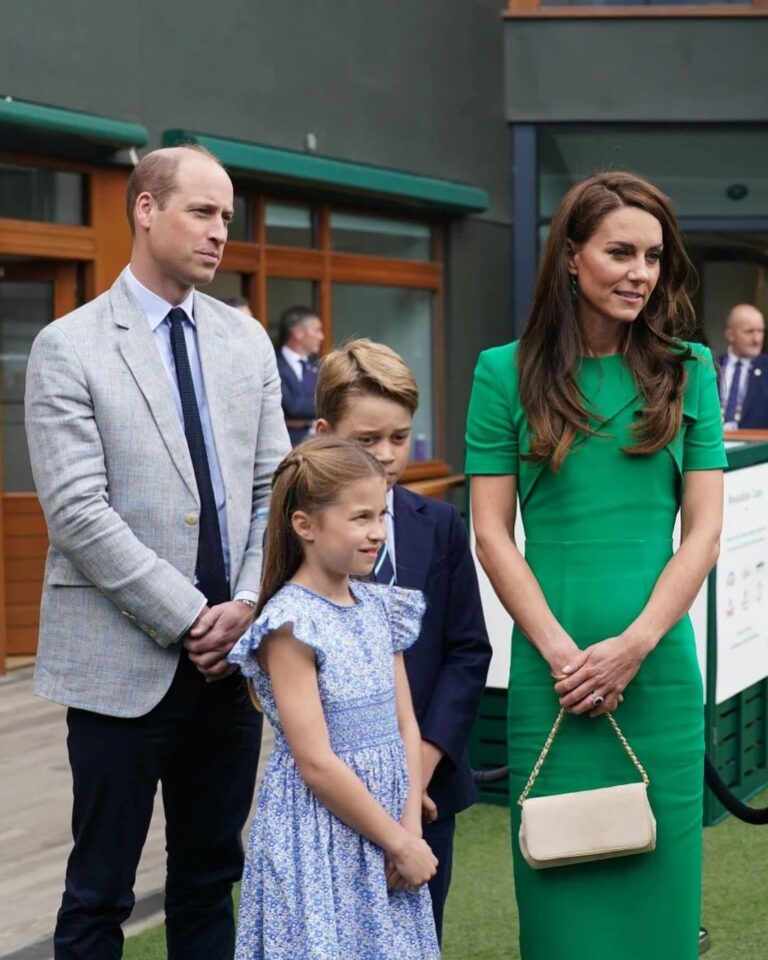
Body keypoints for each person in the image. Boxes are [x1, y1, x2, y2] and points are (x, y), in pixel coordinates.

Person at [24, 145, 290, 959]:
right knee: (98, 892)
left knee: (211, 881)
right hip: (120, 668)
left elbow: (274, 488)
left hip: (230, 667)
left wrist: (243, 608)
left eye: (227, 220)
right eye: (203, 213)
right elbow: (76, 511)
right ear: (145, 208)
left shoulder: (245, 342)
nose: (220, 234)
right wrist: (188, 619)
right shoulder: (68, 347)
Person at [465, 172, 726, 960]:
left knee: (662, 916)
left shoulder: (690, 369)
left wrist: (635, 645)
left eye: (653, 255)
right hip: (553, 675)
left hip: (659, 675)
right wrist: (560, 655)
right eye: (620, 251)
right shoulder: (500, 372)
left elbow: (704, 533)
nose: (640, 272)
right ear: (571, 257)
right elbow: (491, 535)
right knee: (559, 915)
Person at [227, 437, 440, 959]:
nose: (377, 531)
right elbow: (316, 763)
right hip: (319, 836)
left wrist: (408, 829)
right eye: (360, 517)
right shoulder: (291, 625)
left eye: (382, 514)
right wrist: (396, 842)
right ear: (305, 526)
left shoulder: (379, 606)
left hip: (389, 827)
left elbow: (405, 726)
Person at [314, 339, 491, 942]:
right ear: (323, 433)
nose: (387, 456)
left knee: (417, 936)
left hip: (429, 787)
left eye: (400, 437)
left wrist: (418, 770)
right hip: (331, 793)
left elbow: (467, 650)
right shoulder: (300, 534)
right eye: (366, 440)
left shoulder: (437, 523)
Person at [275, 305, 324, 445]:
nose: (322, 336)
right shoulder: (273, 364)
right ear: (298, 333)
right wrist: (323, 407)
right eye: (317, 330)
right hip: (288, 445)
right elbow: (290, 406)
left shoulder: (318, 366)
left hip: (318, 444)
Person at [719, 303, 768, 429]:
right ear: (730, 335)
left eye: (760, 331)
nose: (757, 339)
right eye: (749, 332)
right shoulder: (711, 367)